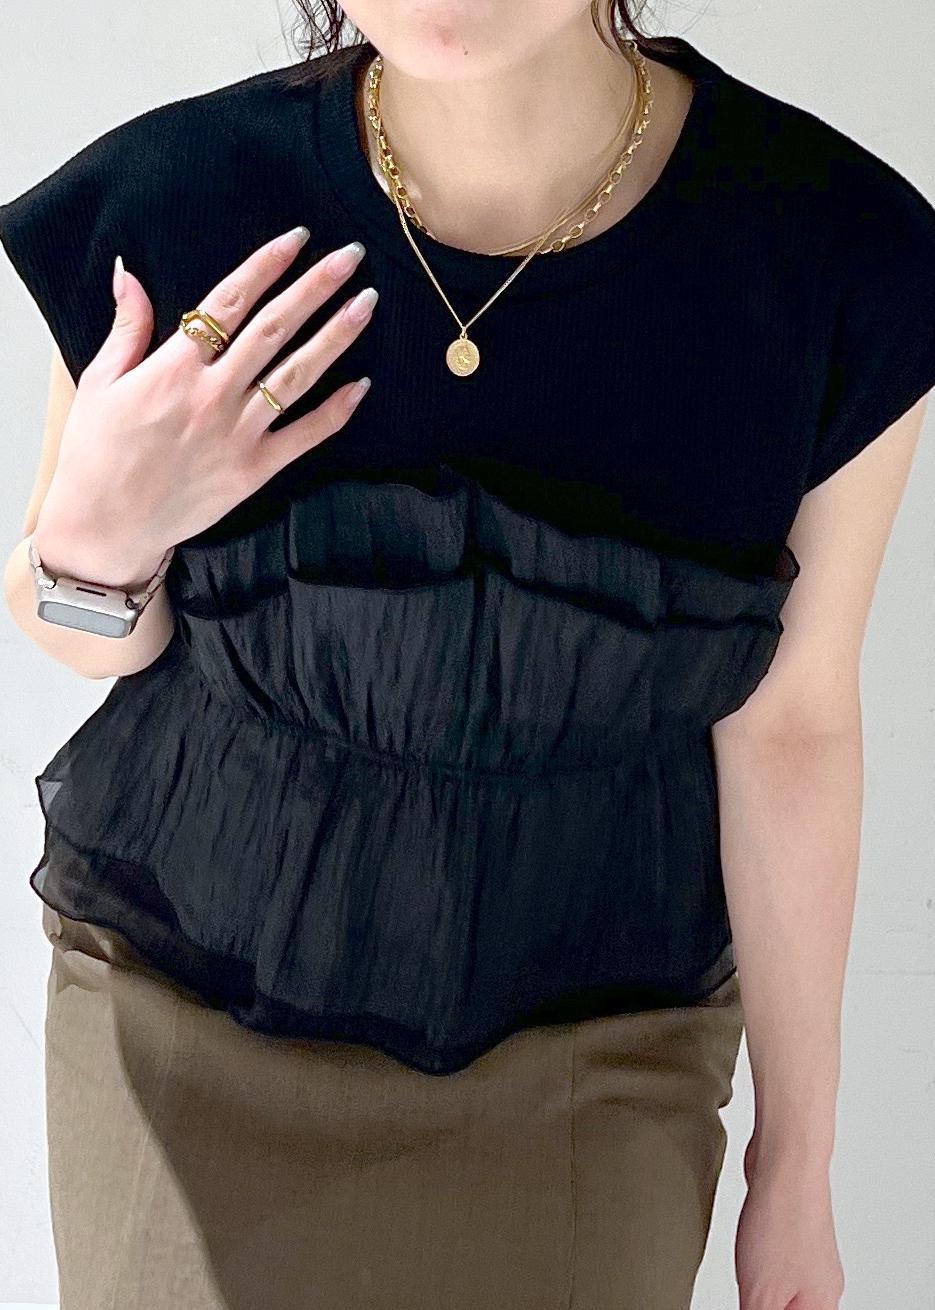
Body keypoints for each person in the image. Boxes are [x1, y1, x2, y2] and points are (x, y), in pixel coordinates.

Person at [2, 3, 934, 1307]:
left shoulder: (834, 256)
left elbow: (792, 725)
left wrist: (799, 1158)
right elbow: (79, 630)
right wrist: (95, 536)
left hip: (595, 1044)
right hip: (183, 1010)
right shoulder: (179, 198)